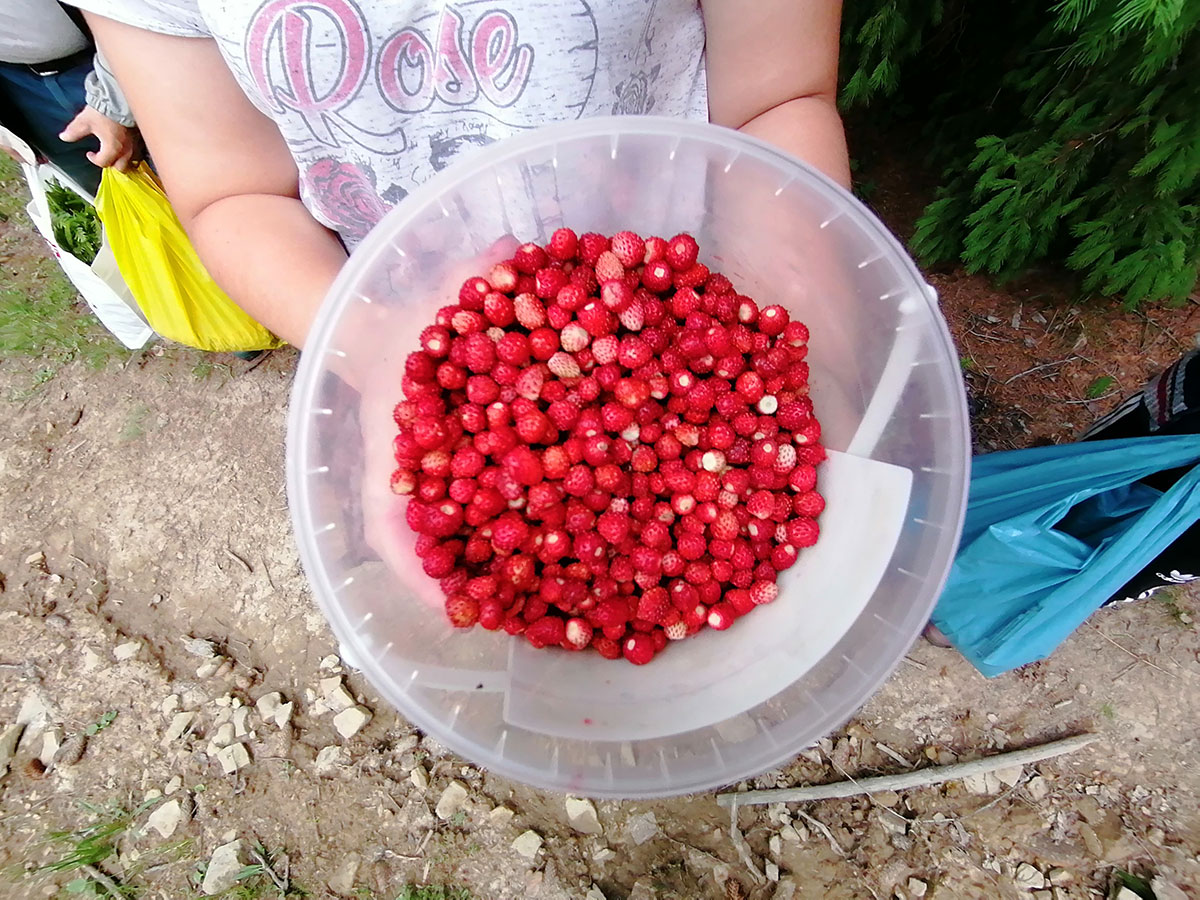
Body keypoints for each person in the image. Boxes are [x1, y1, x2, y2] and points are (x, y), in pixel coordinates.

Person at [66, 0, 851, 349]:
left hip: (700, 287)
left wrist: (794, 317)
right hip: (424, 330)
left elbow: (774, 98)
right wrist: (378, 358)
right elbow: (237, 189)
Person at [0, 0, 137, 195]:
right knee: (112, 197)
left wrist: (113, 94)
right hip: (19, 88)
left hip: (112, 50)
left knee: (183, 178)